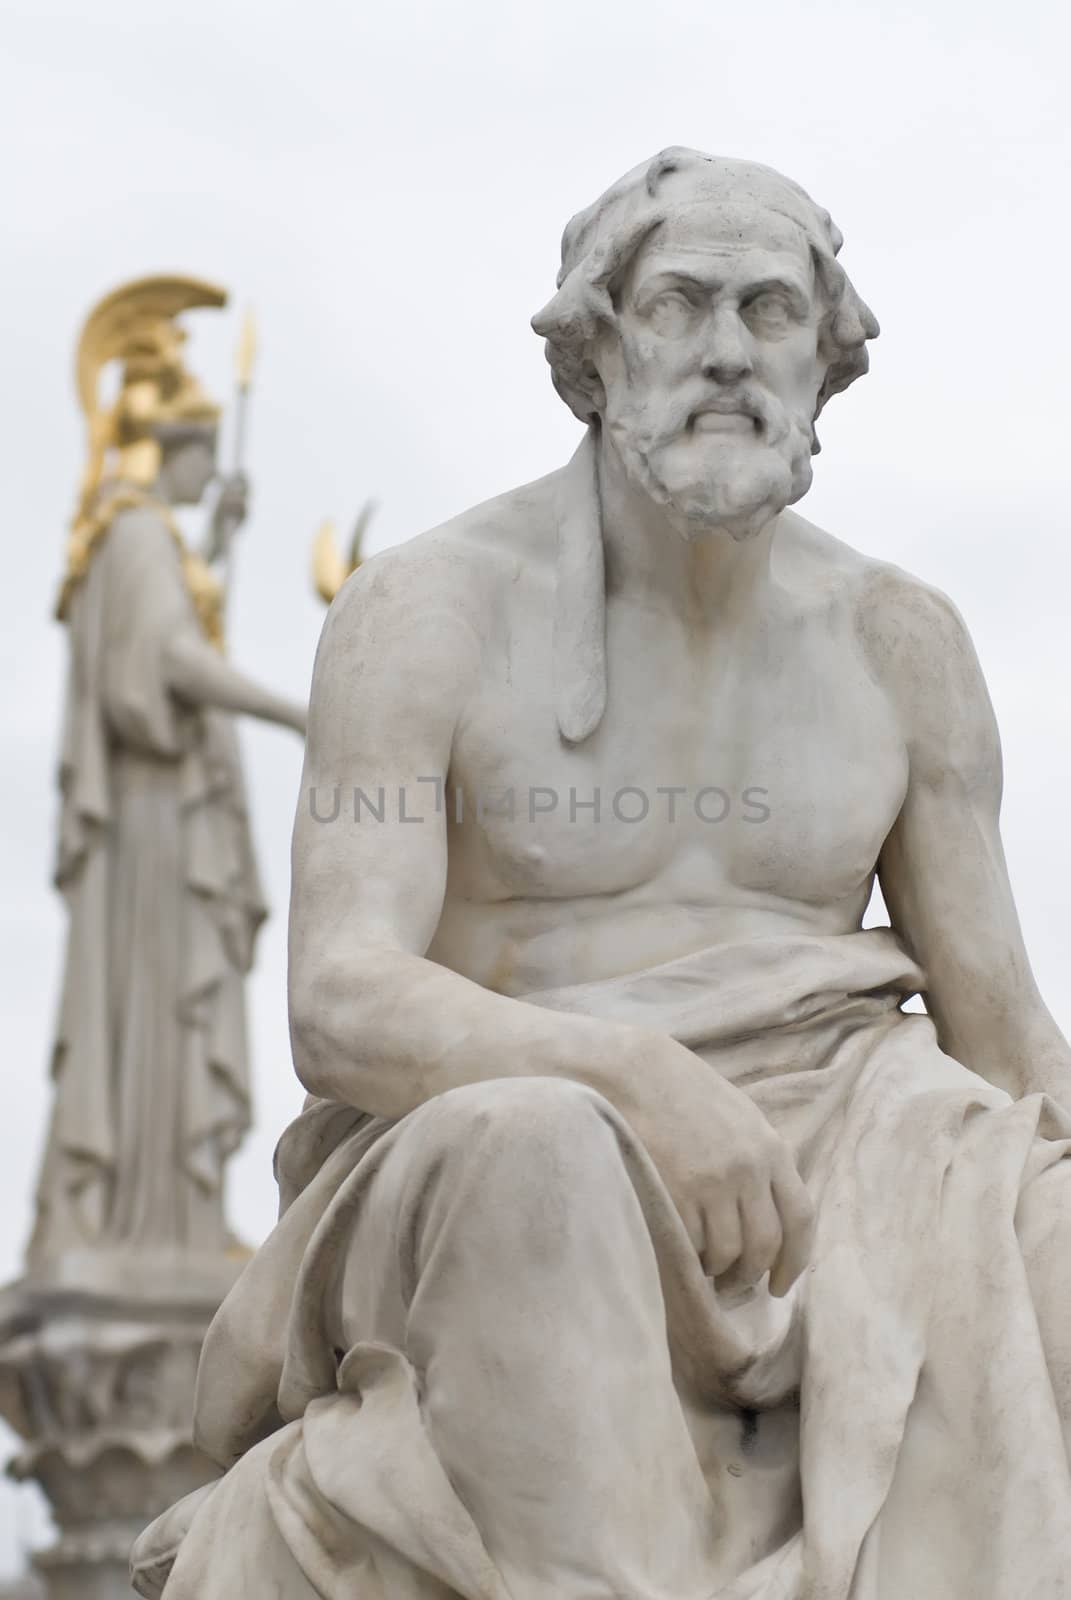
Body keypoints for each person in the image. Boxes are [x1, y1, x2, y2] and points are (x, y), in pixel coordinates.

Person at [135, 155, 1071, 1599]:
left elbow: (1002, 1031)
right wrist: (633, 1079)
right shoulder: (425, 613)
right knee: (540, 1147)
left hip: (844, 1156)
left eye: (768, 312)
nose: (722, 350)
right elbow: (339, 998)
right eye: (676, 305)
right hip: (486, 1139)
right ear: (592, 355)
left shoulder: (901, 645)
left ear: (822, 366)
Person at [31, 276, 306, 1265]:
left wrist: (220, 542)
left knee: (156, 1006)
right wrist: (295, 713)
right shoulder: (141, 535)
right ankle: (152, 1218)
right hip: (154, 824)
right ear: (175, 448)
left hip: (159, 815)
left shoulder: (133, 538)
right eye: (198, 463)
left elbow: (169, 624)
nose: (202, 481)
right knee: (154, 1000)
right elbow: (167, 664)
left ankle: (167, 1217)